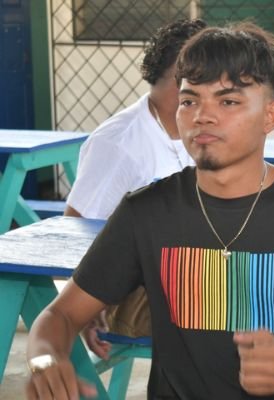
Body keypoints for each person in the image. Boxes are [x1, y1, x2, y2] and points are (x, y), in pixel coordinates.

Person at [26, 23, 274, 399]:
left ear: (270, 116)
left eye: (228, 101)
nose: (203, 116)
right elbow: (60, 315)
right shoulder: (146, 212)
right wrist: (44, 360)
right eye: (189, 100)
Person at [64, 18, 207, 360]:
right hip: (136, 297)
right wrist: (84, 309)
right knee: (250, 316)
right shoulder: (119, 142)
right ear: (181, 79)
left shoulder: (198, 129)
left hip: (191, 279)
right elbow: (75, 229)